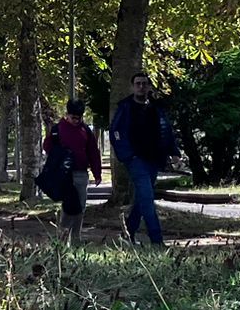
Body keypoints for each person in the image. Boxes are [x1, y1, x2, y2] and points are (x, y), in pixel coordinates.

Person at [109, 71, 174, 247]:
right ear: (132, 86)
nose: (141, 86)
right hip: (135, 160)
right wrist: (127, 154)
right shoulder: (125, 108)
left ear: (148, 86)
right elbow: (115, 132)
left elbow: (166, 129)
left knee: (141, 199)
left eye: (144, 83)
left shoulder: (155, 108)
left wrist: (172, 151)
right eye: (137, 83)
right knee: (147, 197)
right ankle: (157, 241)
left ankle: (128, 233)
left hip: (153, 159)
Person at [43, 98, 102, 243]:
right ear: (67, 115)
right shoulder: (58, 129)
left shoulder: (85, 130)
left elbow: (93, 152)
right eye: (73, 117)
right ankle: (62, 237)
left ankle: (76, 237)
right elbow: (47, 146)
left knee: (80, 207)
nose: (76, 120)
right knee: (69, 206)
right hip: (64, 174)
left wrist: (97, 173)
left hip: (81, 173)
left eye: (79, 118)